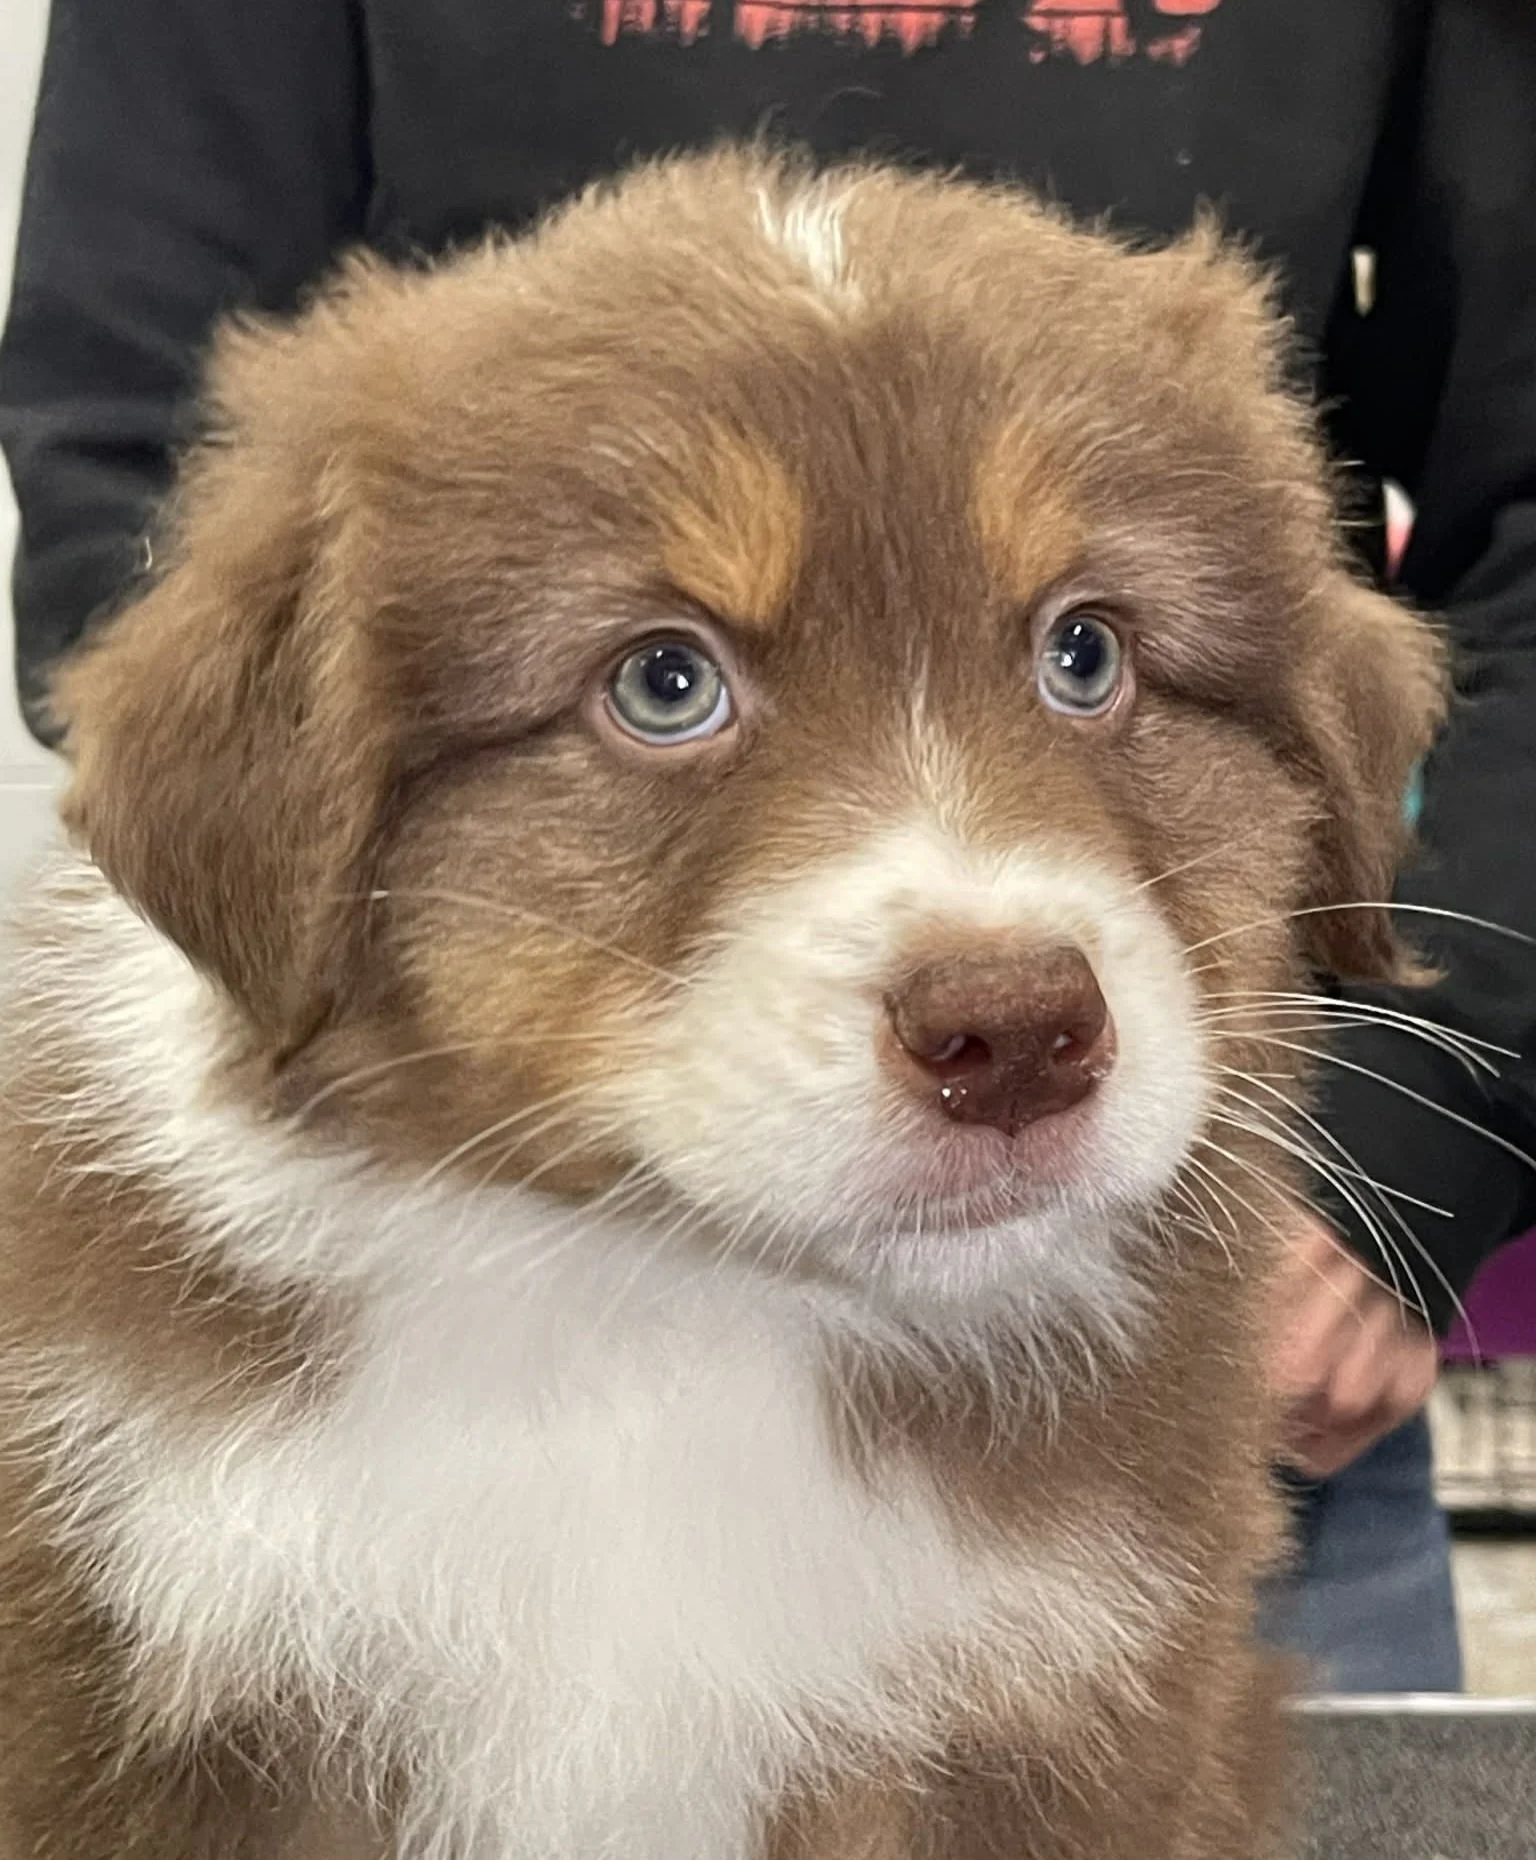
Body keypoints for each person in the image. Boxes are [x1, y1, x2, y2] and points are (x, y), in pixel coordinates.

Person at [4, 0, 1534, 1694]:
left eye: (1084, 655)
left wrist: (1425, 1122)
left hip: (1168, 1295)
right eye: (669, 685)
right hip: (431, 1302)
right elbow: (132, 461)